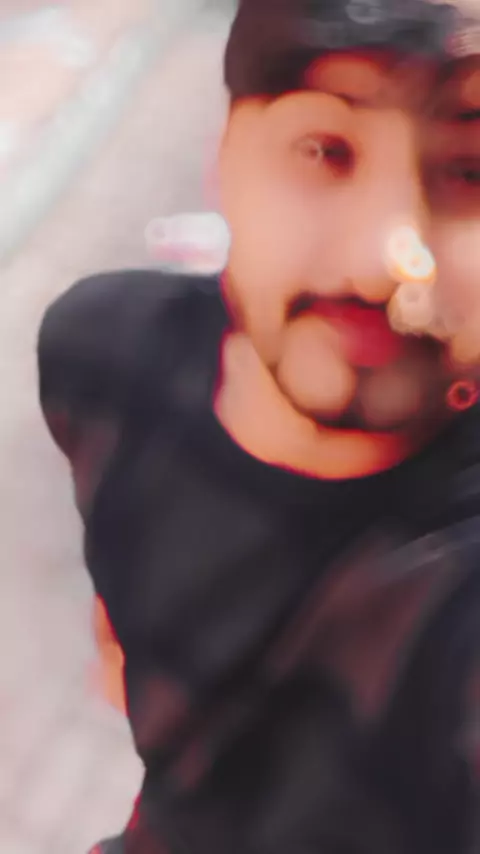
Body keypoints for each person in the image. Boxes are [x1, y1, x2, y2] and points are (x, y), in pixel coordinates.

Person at [37, 1, 480, 852]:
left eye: (469, 171)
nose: (384, 262)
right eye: (325, 150)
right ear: (222, 162)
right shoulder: (96, 353)